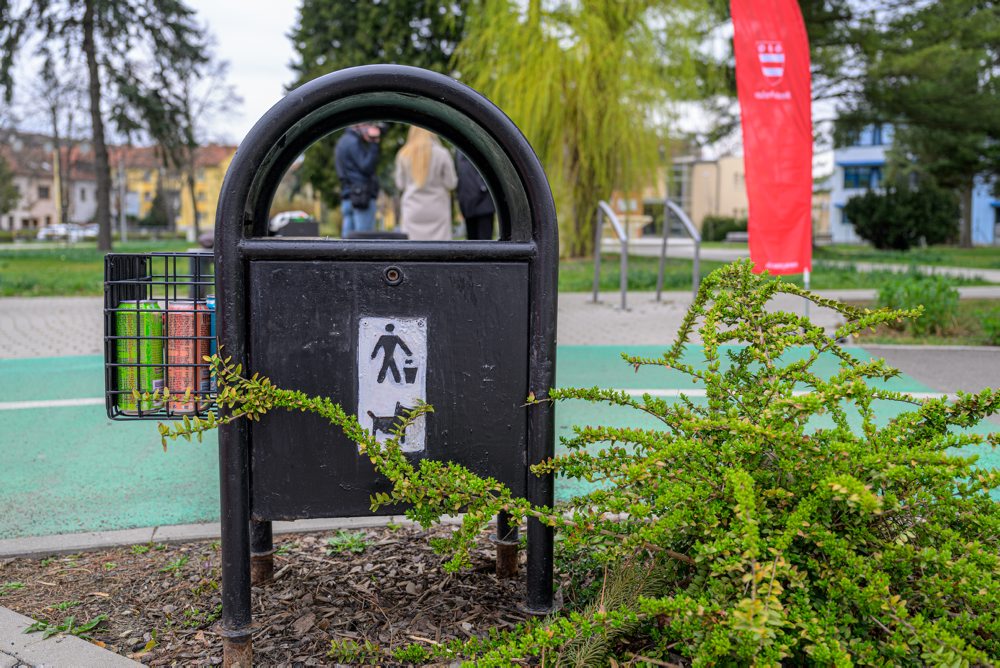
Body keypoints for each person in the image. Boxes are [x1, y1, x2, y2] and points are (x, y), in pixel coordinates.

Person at [394, 126, 457, 241]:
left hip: (412, 207)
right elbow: (451, 183)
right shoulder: (442, 153)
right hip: (437, 208)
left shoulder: (403, 154)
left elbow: (400, 184)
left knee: (412, 247)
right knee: (439, 246)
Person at [334, 123, 381, 236]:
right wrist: (374, 143)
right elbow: (367, 167)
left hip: (348, 195)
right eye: (367, 124)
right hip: (362, 198)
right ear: (358, 125)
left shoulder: (342, 141)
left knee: (347, 241)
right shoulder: (354, 142)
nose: (368, 128)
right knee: (364, 239)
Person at [455, 152, 496, 240]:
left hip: (483, 202)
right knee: (471, 242)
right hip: (467, 203)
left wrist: (483, 187)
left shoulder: (481, 145)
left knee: (485, 242)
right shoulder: (458, 152)